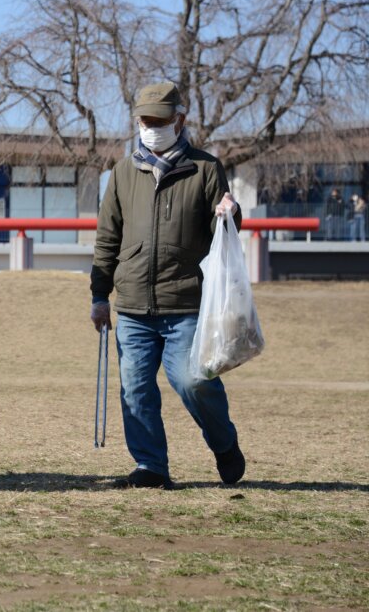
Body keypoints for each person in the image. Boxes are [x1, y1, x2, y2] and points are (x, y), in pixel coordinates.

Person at [89, 81, 246, 489]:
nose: (151, 128)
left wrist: (230, 213)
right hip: (133, 305)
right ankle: (151, 466)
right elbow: (107, 238)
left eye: (159, 121)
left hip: (186, 303)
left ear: (179, 120)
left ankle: (224, 443)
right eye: (145, 121)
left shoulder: (205, 169)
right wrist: (99, 295)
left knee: (193, 381)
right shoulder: (123, 173)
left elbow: (223, 229)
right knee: (135, 389)